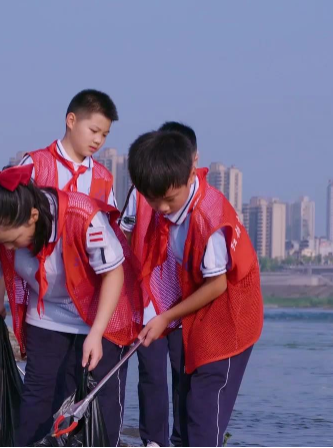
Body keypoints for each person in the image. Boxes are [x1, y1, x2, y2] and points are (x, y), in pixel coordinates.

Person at [0, 165, 142, 445]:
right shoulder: (2, 237)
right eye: (1, 243)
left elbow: (114, 274)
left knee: (100, 399)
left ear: (33, 217)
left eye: (13, 241)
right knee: (39, 398)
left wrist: (96, 333)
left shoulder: (81, 218)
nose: (8, 249)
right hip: (47, 316)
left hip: (103, 313)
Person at [128, 131, 264, 447]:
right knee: (187, 405)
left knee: (204, 412)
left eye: (169, 198)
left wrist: (166, 317)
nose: (162, 207)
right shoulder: (169, 210)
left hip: (230, 321)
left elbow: (217, 285)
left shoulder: (208, 217)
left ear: (191, 174)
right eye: (153, 199)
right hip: (198, 318)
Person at [120, 121, 198, 447]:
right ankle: (153, 441)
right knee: (152, 376)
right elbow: (124, 234)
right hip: (148, 304)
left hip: (185, 306)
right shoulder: (140, 193)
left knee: (185, 375)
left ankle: (183, 439)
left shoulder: (199, 198)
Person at [16, 89, 120, 207]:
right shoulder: (35, 164)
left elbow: (110, 216)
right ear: (71, 121)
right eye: (94, 131)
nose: (98, 140)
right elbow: (11, 208)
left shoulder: (103, 178)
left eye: (104, 135)